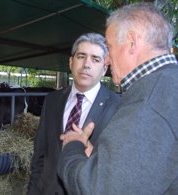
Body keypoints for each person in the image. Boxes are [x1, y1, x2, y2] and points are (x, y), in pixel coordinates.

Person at [57, 2, 178, 195]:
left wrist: (73, 146)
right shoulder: (168, 85)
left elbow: (97, 189)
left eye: (110, 47)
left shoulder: (148, 103)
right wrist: (100, 160)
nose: (106, 60)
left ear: (131, 42)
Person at [27, 32, 121, 195]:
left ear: (104, 68)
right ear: (71, 62)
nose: (86, 64)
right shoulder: (52, 100)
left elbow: (118, 169)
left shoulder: (118, 106)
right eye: (81, 56)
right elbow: (40, 156)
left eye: (95, 59)